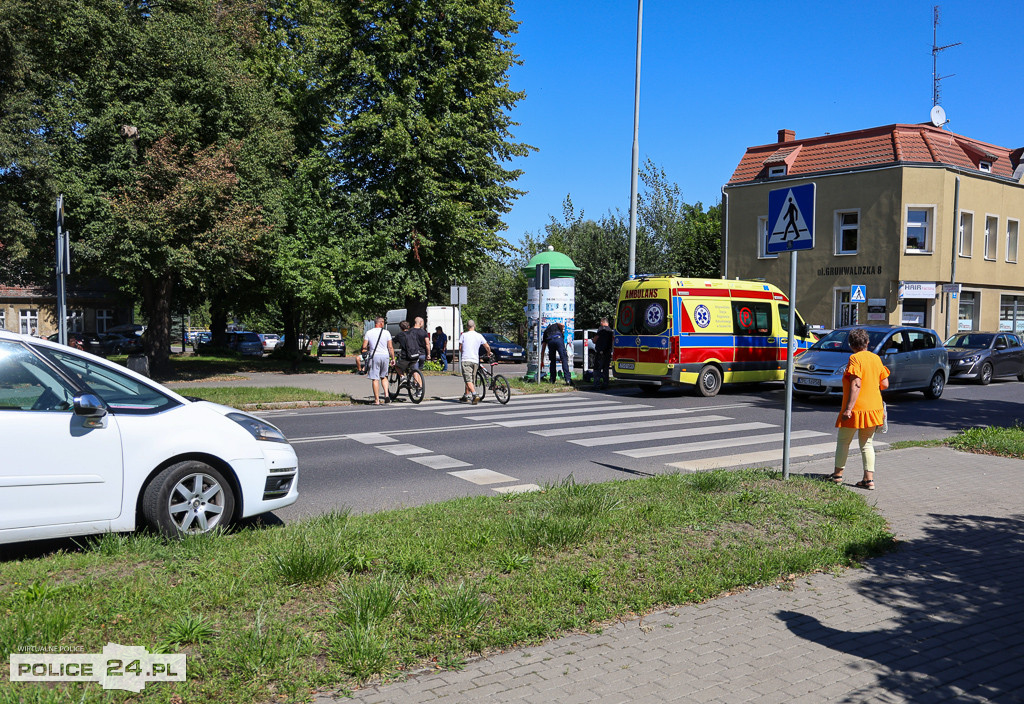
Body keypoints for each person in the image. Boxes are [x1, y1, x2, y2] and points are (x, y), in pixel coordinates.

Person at [829, 328, 890, 490]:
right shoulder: (876, 359)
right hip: (874, 408)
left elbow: (856, 383)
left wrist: (848, 409)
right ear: (867, 343)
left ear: (851, 345)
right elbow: (885, 384)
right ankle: (868, 480)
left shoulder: (854, 359)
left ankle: (837, 475)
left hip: (857, 408)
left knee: (843, 441)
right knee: (867, 444)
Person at [361, 317, 395, 405]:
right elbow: (390, 347)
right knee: (384, 377)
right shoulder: (386, 332)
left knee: (375, 379)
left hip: (374, 356)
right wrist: (393, 358)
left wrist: (368, 349)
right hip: (385, 356)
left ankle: (377, 400)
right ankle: (387, 395)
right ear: (381, 323)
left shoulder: (369, 332)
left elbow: (364, 347)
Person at [458, 319, 491, 404]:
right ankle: (466, 396)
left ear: (467, 326)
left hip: (466, 359)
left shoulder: (464, 335)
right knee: (471, 379)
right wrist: (488, 353)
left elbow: (460, 348)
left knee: (467, 379)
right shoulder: (479, 335)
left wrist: (464, 352)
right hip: (475, 360)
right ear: (474, 326)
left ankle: (474, 394)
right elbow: (487, 347)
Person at [592, 317, 614, 390]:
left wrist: (593, 340)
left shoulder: (601, 329)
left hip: (600, 352)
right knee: (605, 369)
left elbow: (595, 339)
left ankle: (596, 385)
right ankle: (605, 384)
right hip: (607, 352)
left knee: (597, 368)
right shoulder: (610, 331)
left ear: (602, 322)